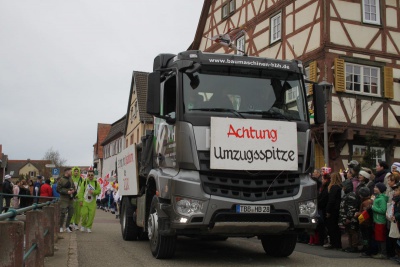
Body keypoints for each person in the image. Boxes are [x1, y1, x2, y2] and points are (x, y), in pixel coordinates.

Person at [339, 179, 360, 252]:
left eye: (344, 187)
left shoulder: (351, 196)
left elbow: (352, 208)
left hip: (351, 218)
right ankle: (351, 246)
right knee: (349, 232)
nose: (343, 189)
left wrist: (348, 218)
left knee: (353, 232)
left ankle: (354, 246)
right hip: (346, 218)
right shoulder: (347, 195)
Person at [324, 172, 343, 250]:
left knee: (332, 227)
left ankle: (334, 243)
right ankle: (337, 243)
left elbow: (331, 200)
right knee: (336, 227)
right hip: (337, 208)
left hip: (333, 210)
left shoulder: (333, 187)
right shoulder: (340, 187)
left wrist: (328, 211)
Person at [371, 182, 388, 259]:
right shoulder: (377, 197)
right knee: (378, 237)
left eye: (376, 187)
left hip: (380, 220)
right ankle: (380, 252)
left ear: (380, 189)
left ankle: (383, 253)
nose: (374, 188)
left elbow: (383, 210)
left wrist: (373, 207)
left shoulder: (381, 199)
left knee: (381, 238)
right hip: (376, 220)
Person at [57, 168, 76, 233]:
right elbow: (58, 189)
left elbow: (73, 186)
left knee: (71, 213)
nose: (72, 172)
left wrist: (73, 190)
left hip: (70, 198)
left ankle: (67, 226)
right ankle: (61, 227)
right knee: (63, 213)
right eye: (71, 171)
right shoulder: (61, 180)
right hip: (64, 199)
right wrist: (66, 191)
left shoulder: (71, 179)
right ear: (67, 172)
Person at [356, 187, 373, 255]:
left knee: (365, 237)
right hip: (369, 223)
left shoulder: (364, 203)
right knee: (368, 236)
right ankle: (366, 248)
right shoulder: (371, 201)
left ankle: (366, 248)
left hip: (365, 223)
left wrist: (357, 214)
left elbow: (364, 213)